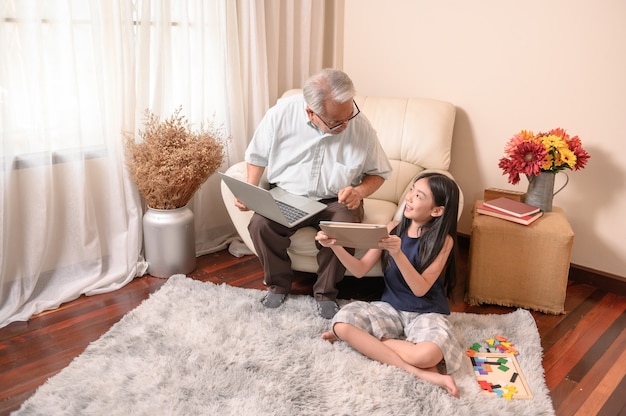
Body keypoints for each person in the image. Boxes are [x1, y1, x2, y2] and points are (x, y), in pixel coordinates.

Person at [234, 68, 392, 319]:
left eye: (349, 114)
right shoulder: (280, 115)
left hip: (336, 200)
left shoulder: (359, 126)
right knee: (261, 225)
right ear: (311, 112)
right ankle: (278, 285)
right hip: (287, 195)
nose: (345, 124)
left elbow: (379, 173)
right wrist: (251, 187)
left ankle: (326, 293)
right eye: (336, 121)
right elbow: (256, 156)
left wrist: (359, 192)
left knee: (343, 226)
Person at [315, 172, 463, 397]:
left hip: (426, 312)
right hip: (390, 309)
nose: (410, 197)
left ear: (436, 211)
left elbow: (420, 289)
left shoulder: (444, 241)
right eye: (411, 190)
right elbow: (359, 269)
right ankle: (422, 373)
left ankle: (371, 341)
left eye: (419, 195)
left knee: (426, 355)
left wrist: (398, 253)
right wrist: (334, 245)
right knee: (342, 324)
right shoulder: (392, 227)